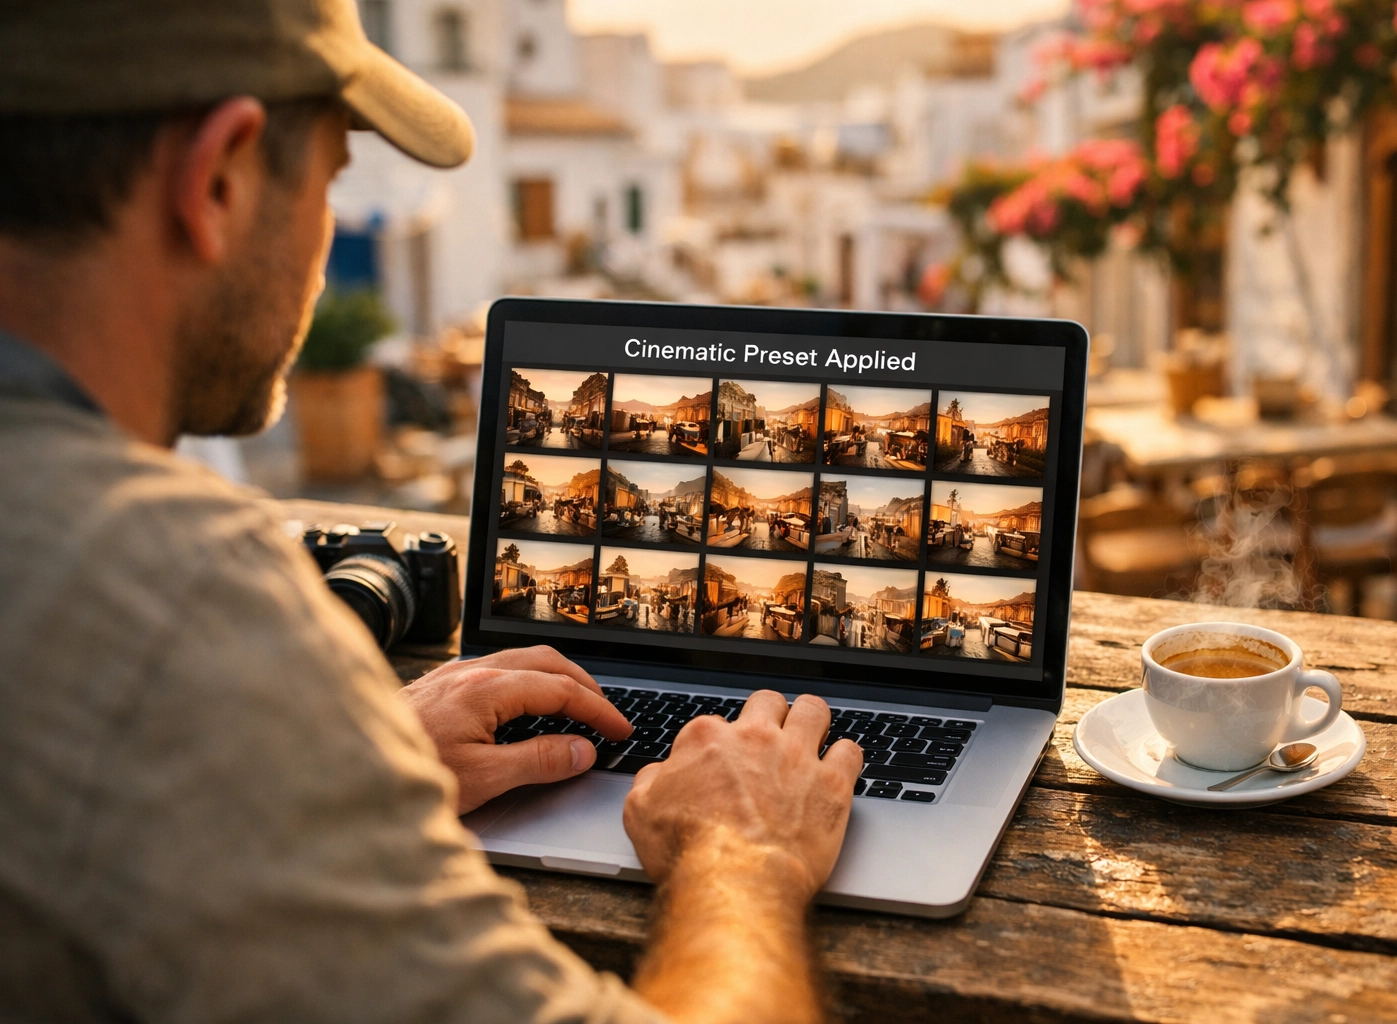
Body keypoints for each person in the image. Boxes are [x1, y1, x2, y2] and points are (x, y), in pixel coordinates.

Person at [0, 3, 862, 1023]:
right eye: (330, 173)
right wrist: (742, 852)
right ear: (220, 178)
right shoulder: (161, 594)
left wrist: (311, 773)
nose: (324, 227)